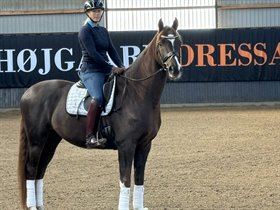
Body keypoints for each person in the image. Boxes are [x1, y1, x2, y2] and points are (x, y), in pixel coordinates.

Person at [78, 0, 125, 149]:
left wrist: (121, 66)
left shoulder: (103, 30)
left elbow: (111, 50)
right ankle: (90, 136)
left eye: (99, 11)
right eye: (94, 11)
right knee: (98, 97)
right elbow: (93, 54)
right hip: (91, 69)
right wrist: (111, 68)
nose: (97, 13)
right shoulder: (85, 31)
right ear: (88, 13)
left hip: (104, 68)